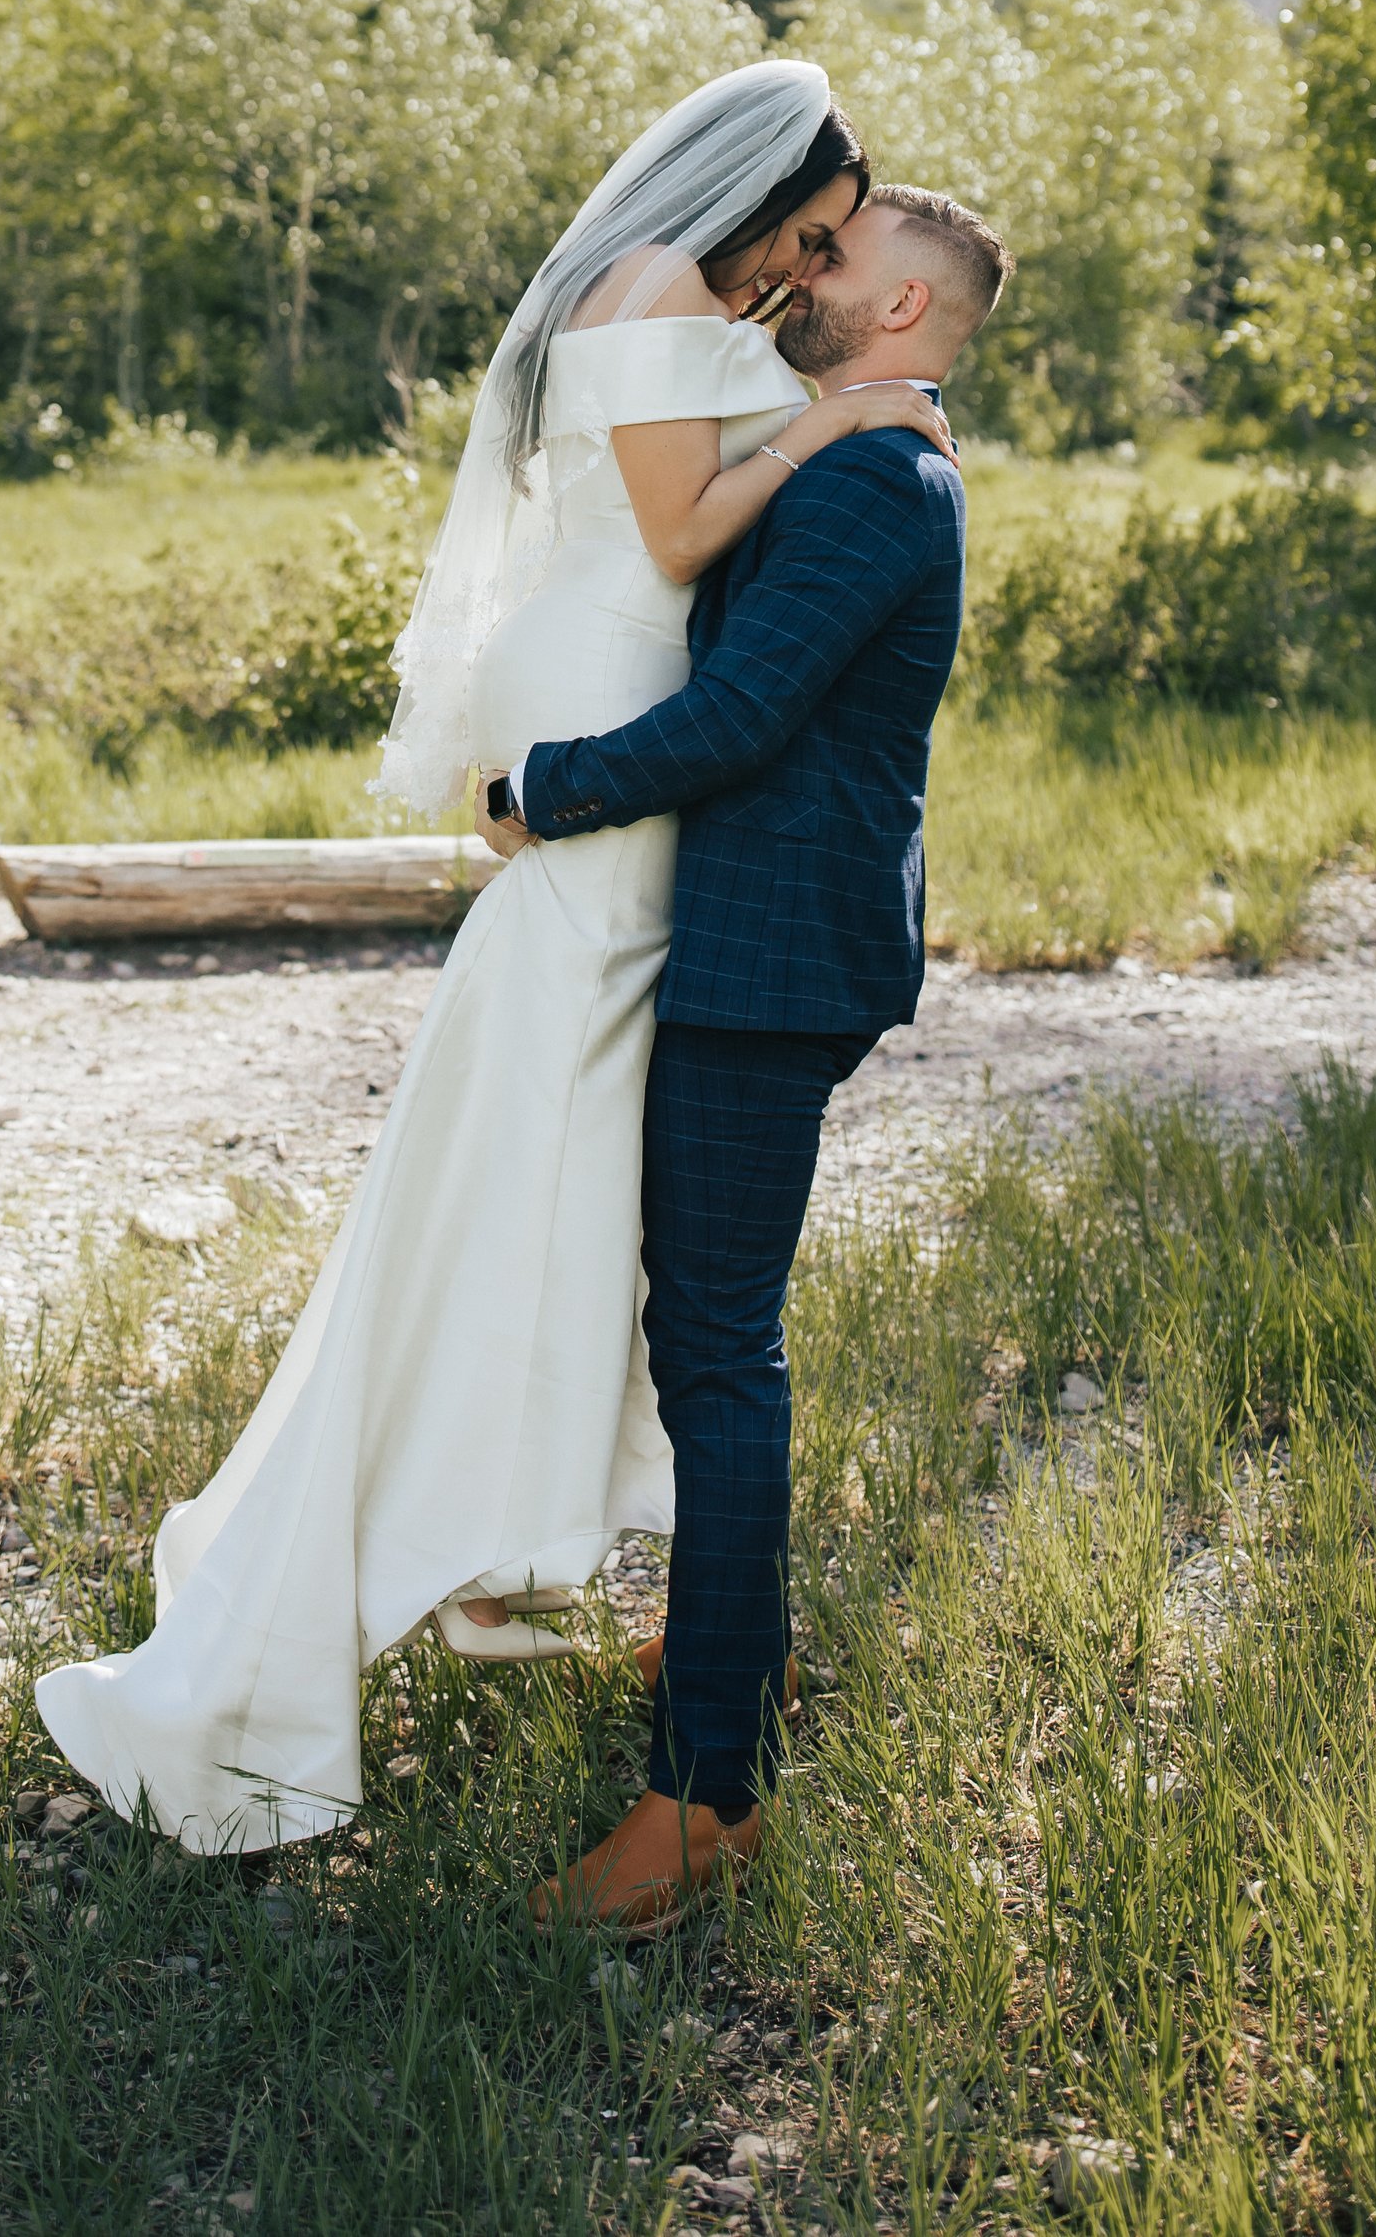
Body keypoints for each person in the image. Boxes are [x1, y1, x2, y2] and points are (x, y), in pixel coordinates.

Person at [33, 60, 953, 1852]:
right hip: (611, 687)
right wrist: (834, 424)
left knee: (556, 1147)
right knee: (579, 1172)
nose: (812, 270)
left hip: (607, 683)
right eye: (815, 231)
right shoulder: (663, 296)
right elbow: (683, 532)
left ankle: (501, 1536)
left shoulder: (687, 302)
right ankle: (475, 1547)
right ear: (764, 193)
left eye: (842, 251)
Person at [476, 181, 1013, 1930]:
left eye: (835, 262)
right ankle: (741, 1653)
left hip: (769, 960)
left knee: (718, 1352)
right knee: (710, 1334)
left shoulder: (878, 475)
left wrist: (539, 792)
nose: (799, 272)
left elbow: (742, 715)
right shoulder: (853, 448)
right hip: (756, 942)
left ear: (907, 314)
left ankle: (707, 1795)